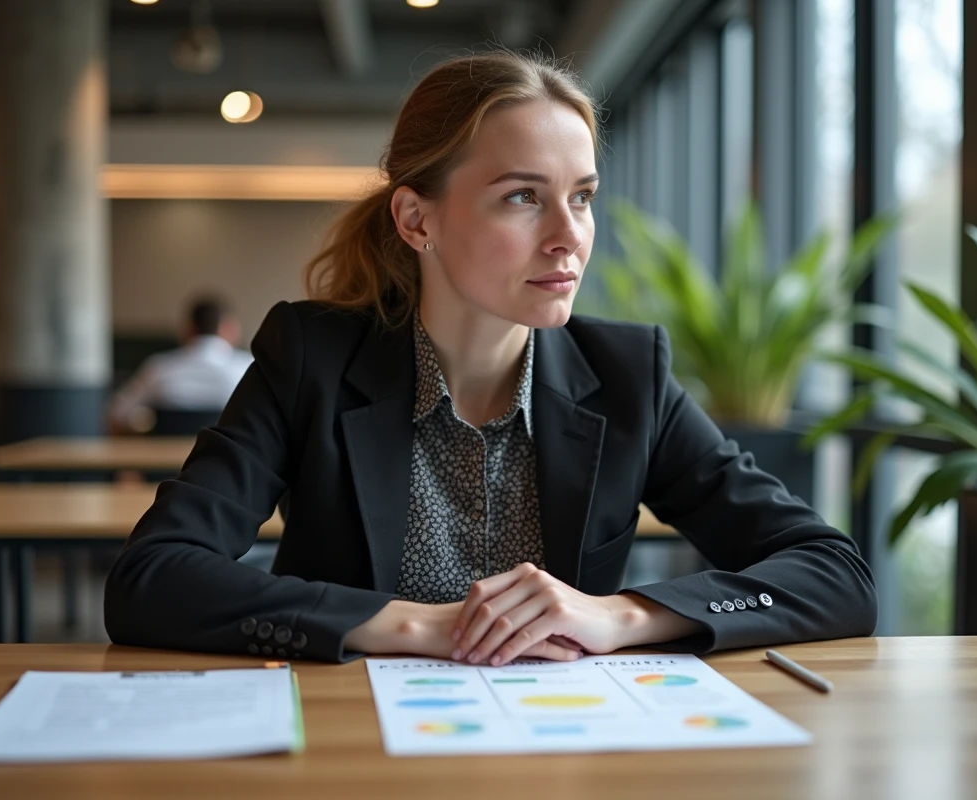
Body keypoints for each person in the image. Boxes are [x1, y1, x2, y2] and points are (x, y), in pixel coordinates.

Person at [104, 50, 877, 665]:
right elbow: (151, 578)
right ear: (416, 218)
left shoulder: (627, 376)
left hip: (558, 752)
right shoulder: (310, 357)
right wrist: (414, 627)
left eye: (581, 195)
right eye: (522, 196)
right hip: (354, 753)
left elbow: (834, 573)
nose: (569, 235)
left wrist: (619, 615)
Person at [106, 297, 253, 434]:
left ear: (189, 328)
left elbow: (117, 413)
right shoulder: (246, 367)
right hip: (226, 459)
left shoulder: (159, 367)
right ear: (227, 328)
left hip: (163, 459)